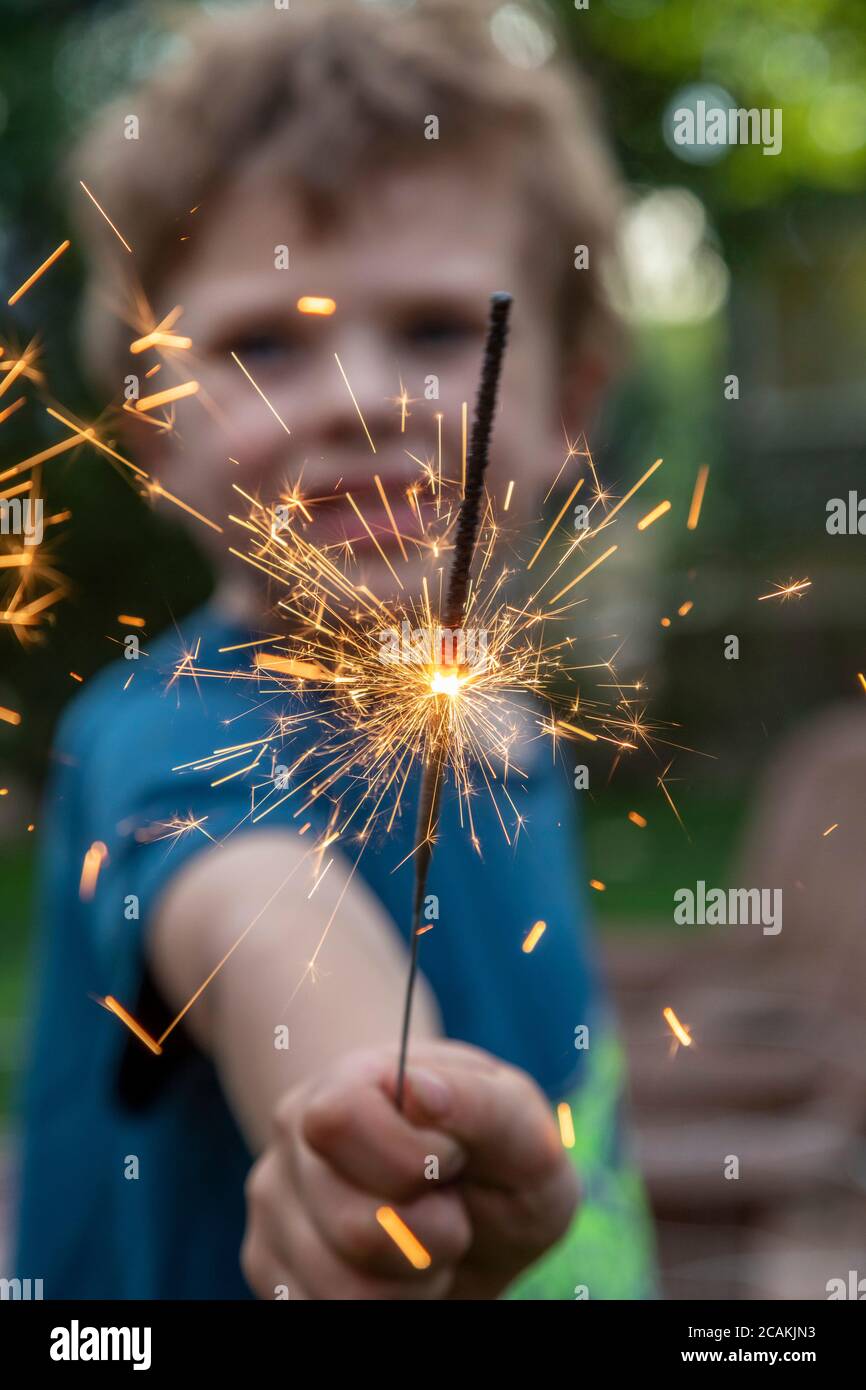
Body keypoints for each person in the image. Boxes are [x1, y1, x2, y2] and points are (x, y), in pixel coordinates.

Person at [15, 0, 655, 1299]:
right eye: (259, 344)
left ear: (567, 406)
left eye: (433, 330)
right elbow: (262, 916)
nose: (358, 398)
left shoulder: (508, 732)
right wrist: (370, 1142)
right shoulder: (171, 735)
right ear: (152, 438)